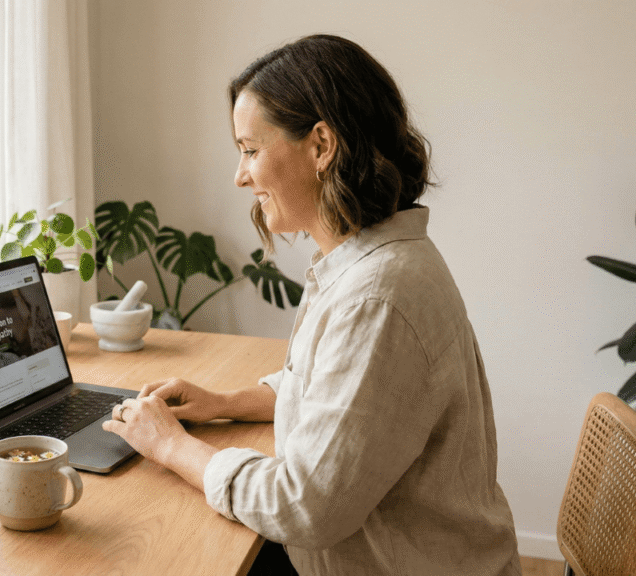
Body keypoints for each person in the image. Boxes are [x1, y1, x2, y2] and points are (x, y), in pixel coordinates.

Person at [102, 34, 521, 576]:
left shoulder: (378, 296)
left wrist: (171, 447)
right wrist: (223, 401)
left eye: (250, 150)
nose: (240, 175)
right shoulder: (367, 262)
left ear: (321, 146)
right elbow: (340, 395)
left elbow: (304, 506)